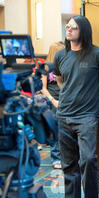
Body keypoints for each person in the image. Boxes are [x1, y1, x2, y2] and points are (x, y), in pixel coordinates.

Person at [53, 15, 99, 198]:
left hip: (86, 117)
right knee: (69, 166)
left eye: (73, 28)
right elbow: (60, 78)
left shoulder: (97, 54)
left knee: (87, 160)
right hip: (64, 116)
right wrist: (66, 92)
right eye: (67, 27)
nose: (68, 30)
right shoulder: (61, 55)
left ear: (83, 31)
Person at [40, 41, 65, 169]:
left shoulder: (64, 65)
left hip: (66, 102)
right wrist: (53, 100)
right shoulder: (46, 68)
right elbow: (43, 88)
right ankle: (56, 158)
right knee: (56, 131)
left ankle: (67, 157)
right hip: (53, 102)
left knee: (66, 131)